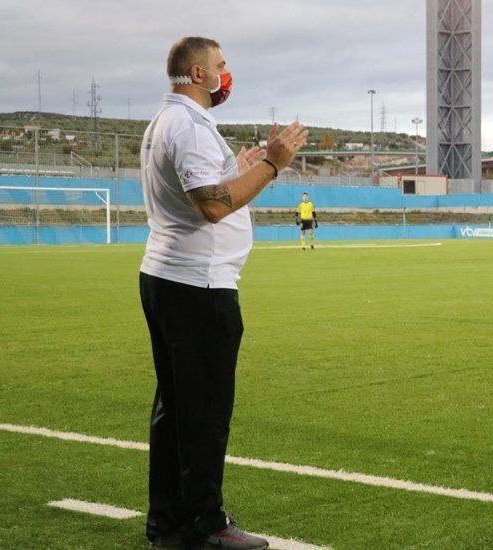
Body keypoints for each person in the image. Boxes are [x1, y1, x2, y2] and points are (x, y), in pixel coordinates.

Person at [139, 36, 308, 548]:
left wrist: (237, 169)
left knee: (175, 408)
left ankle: (168, 522)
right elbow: (211, 206)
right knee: (205, 412)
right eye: (221, 65)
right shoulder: (188, 125)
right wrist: (271, 164)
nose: (226, 72)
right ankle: (206, 525)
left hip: (169, 278)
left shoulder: (166, 121)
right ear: (197, 74)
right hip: (198, 287)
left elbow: (200, 190)